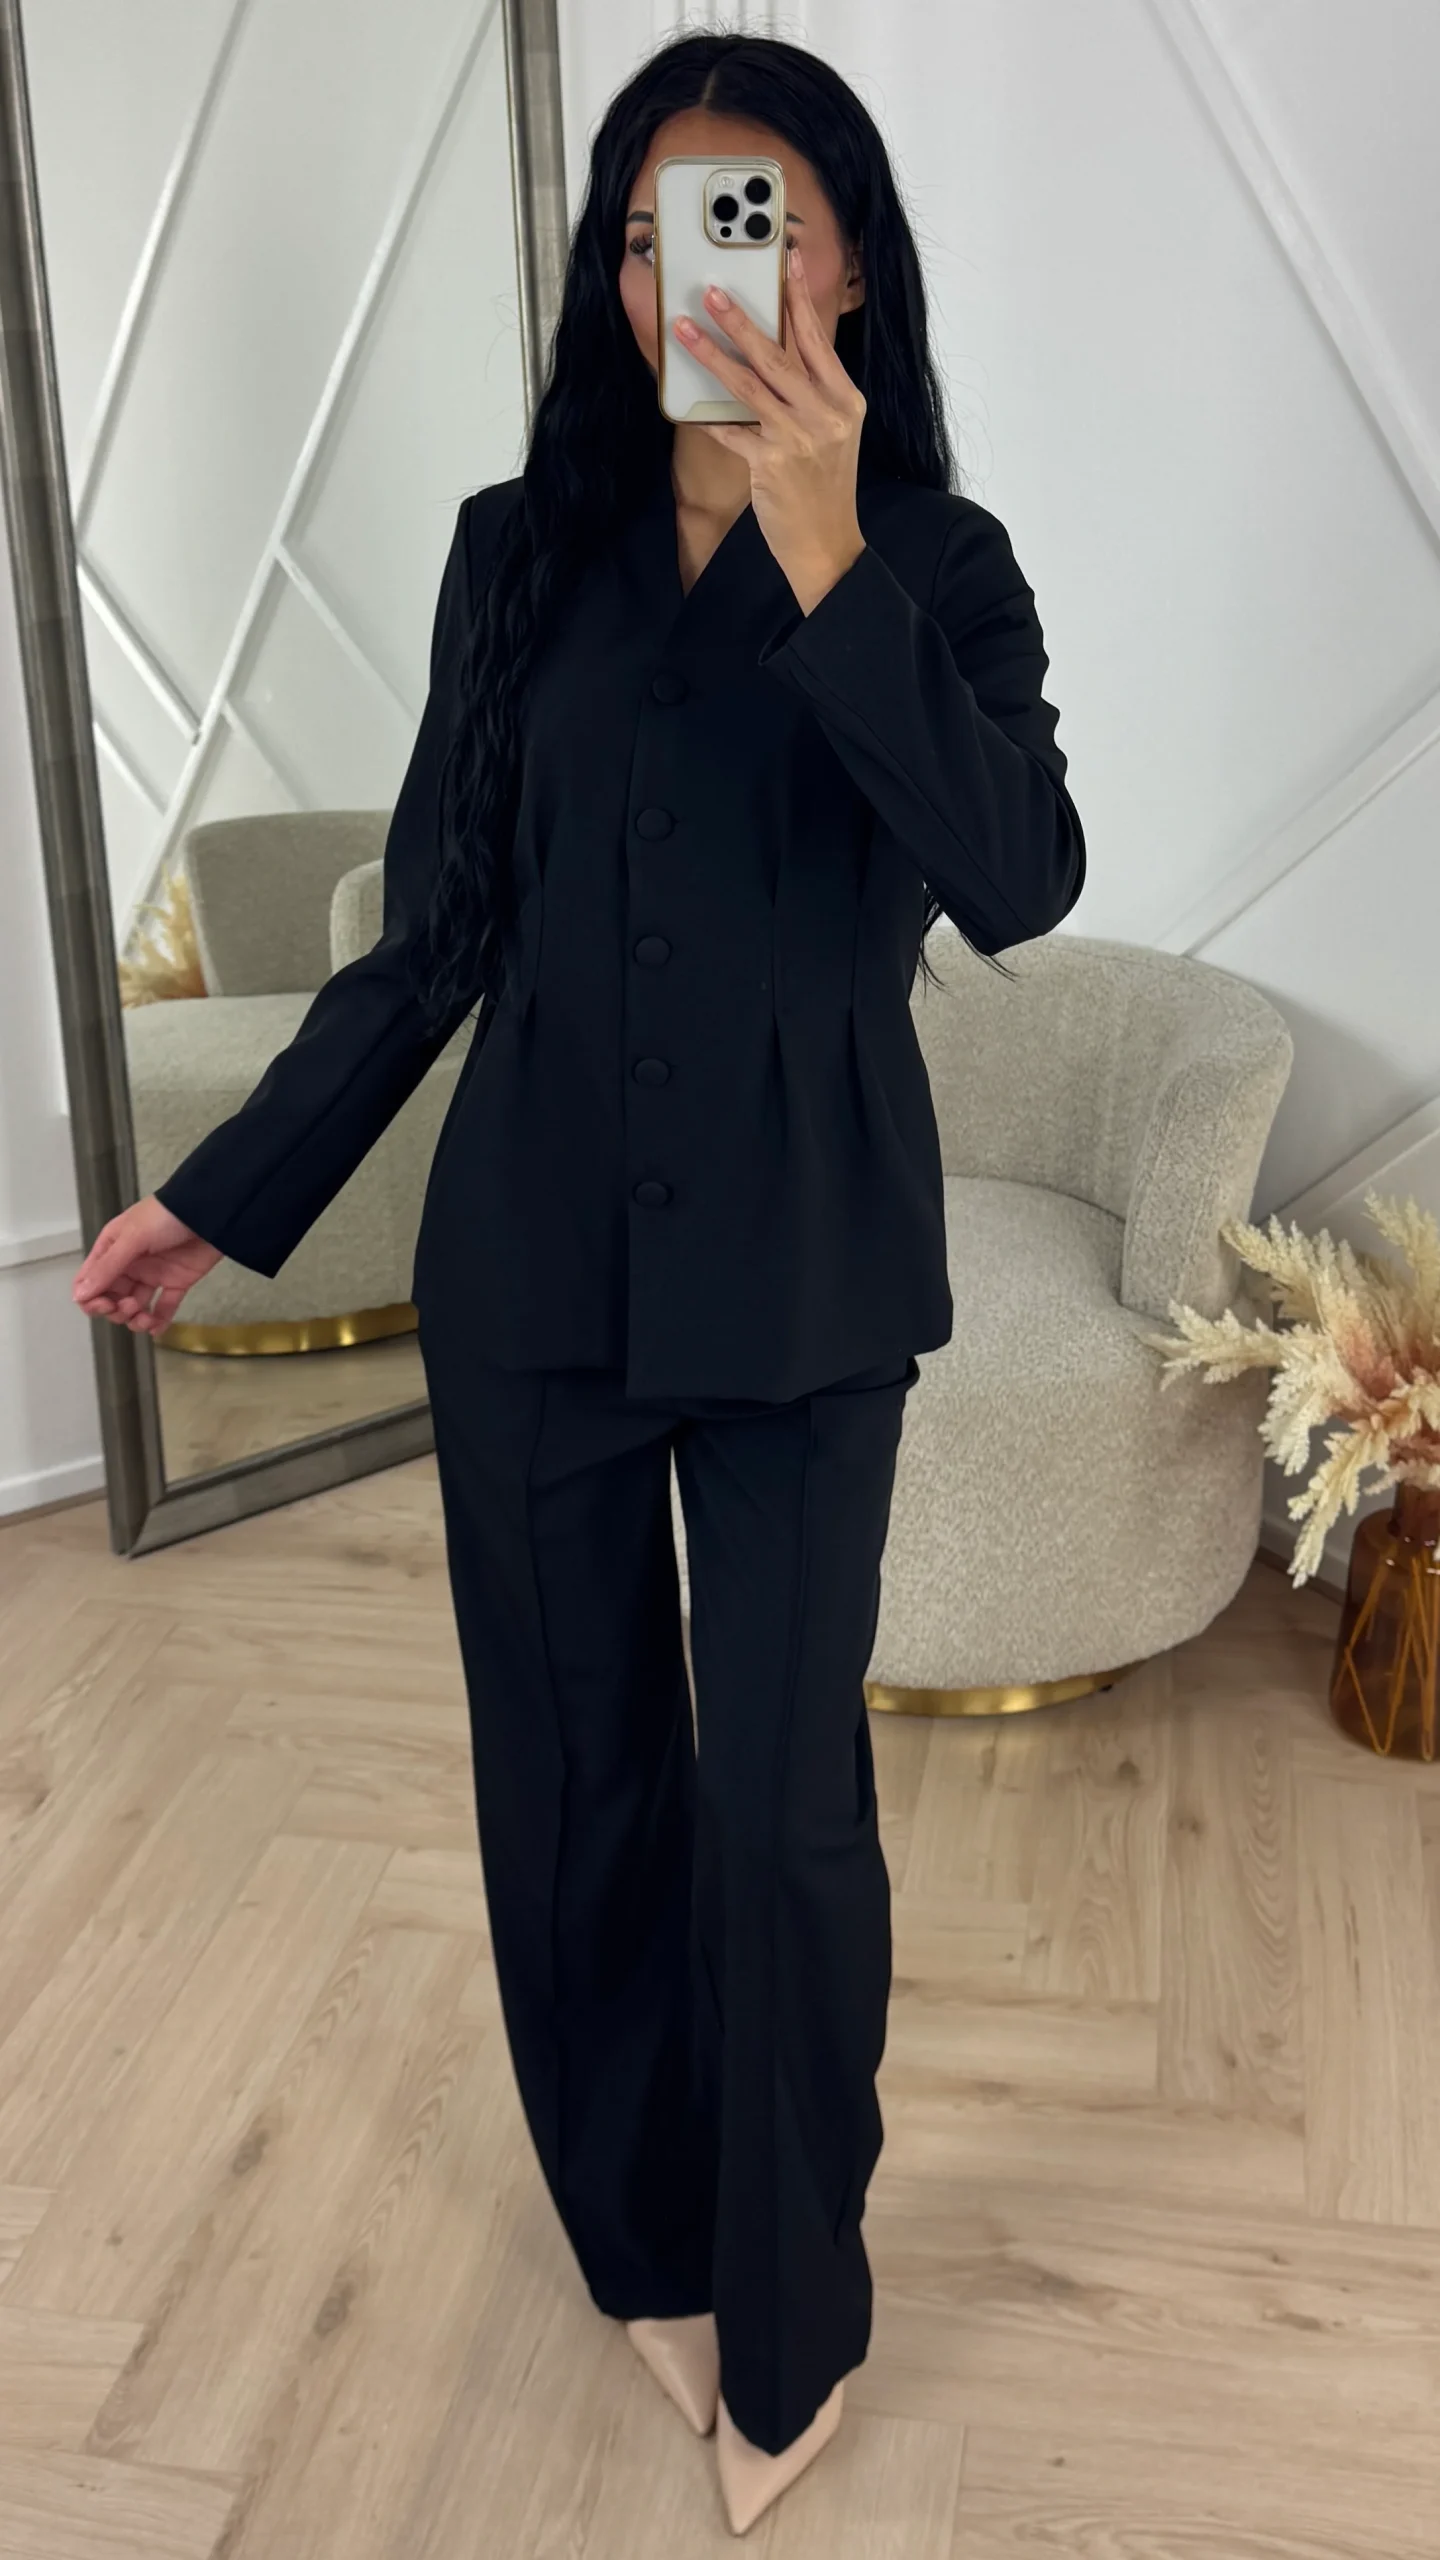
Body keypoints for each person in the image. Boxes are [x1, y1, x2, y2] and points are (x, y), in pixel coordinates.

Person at [72, 29, 1085, 2537]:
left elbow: (1019, 879)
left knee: (784, 1820)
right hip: (532, 1270)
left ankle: (796, 2306)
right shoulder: (516, 548)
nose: (685, 274)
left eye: (745, 220)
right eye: (647, 231)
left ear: (847, 262)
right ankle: (642, 2234)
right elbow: (435, 931)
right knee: (577, 1787)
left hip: (810, 1282)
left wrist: (828, 547)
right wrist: (233, 1187)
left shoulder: (943, 563)